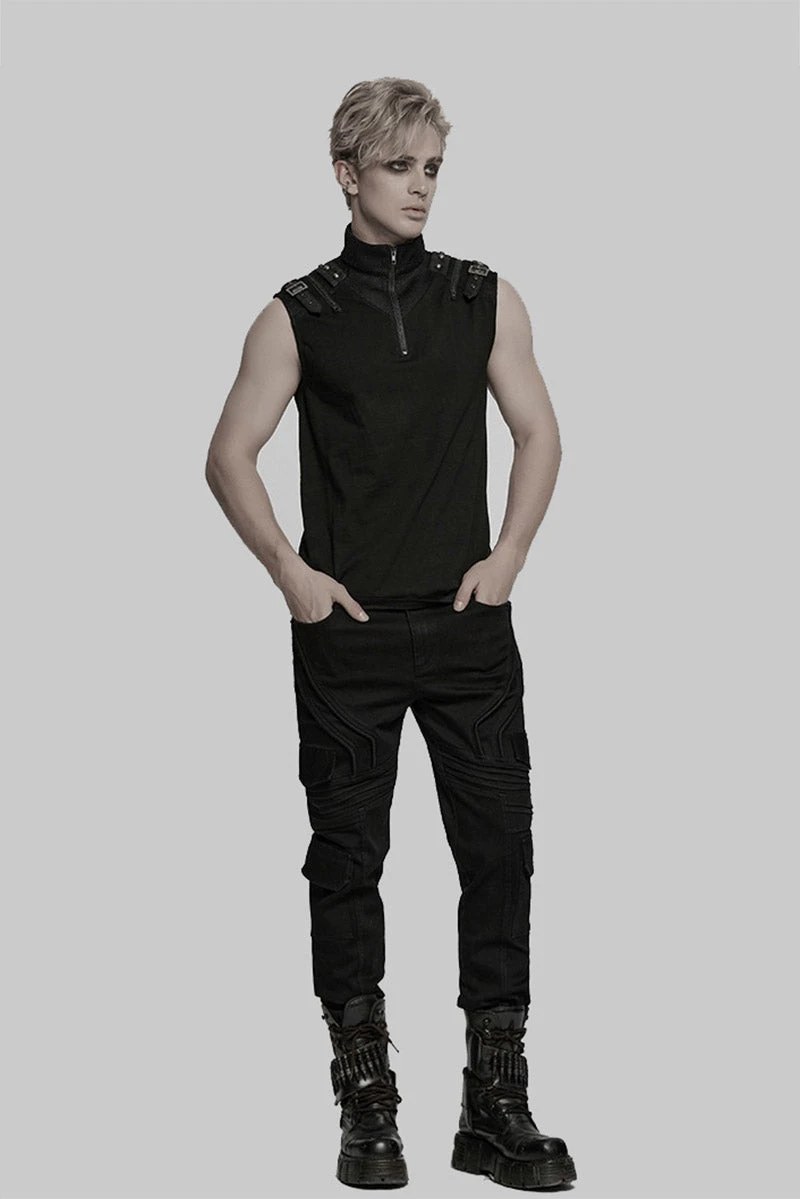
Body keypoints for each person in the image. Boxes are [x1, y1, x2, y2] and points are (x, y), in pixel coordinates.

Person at [205, 77, 576, 1192]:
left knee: (499, 852)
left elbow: (538, 430)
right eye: (398, 167)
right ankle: (367, 1102)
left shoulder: (481, 296)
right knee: (346, 861)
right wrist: (292, 574)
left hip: (469, 630)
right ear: (346, 174)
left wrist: (508, 556)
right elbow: (228, 453)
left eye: (432, 169)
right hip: (349, 637)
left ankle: (494, 1103)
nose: (420, 187)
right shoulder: (298, 314)